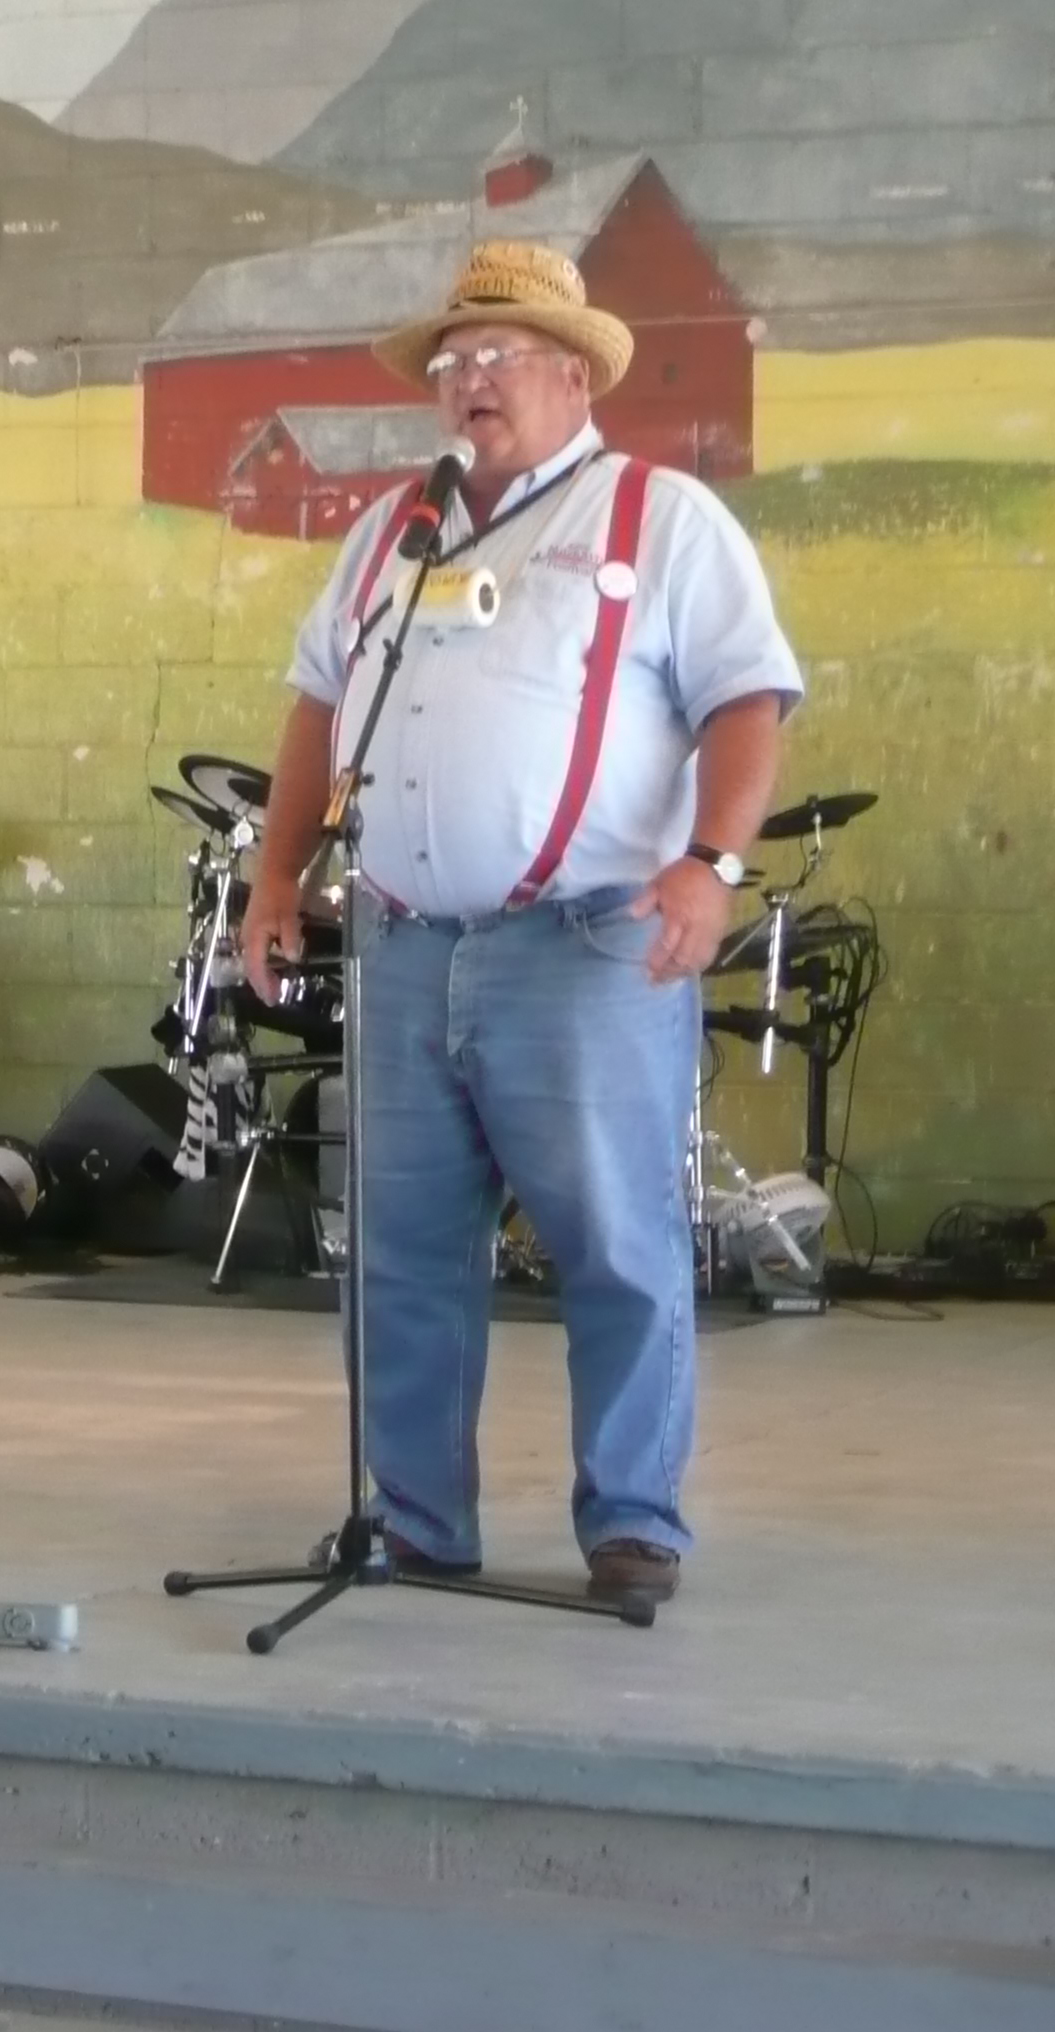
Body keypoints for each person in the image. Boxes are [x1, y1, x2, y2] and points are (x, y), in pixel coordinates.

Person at [235, 241, 802, 1608]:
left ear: (574, 376)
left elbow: (748, 699)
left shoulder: (659, 520)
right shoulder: (392, 530)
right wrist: (275, 877)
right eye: (453, 360)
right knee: (404, 1257)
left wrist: (713, 862)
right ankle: (417, 1518)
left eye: (499, 356)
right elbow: (321, 705)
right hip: (403, 943)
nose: (469, 379)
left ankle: (634, 1521)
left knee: (614, 1245)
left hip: (587, 946)